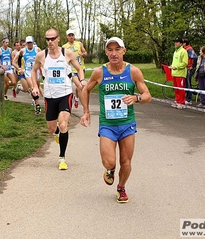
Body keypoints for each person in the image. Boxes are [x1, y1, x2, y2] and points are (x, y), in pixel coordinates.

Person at [80, 37, 151, 203]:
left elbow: (148, 95)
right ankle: (110, 170)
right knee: (109, 161)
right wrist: (85, 111)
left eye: (117, 49)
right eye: (110, 50)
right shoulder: (100, 72)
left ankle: (121, 187)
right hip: (108, 125)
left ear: (124, 51)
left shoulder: (133, 71)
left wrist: (136, 98)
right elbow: (85, 90)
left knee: (126, 162)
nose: (114, 53)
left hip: (127, 124)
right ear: (106, 52)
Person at [31, 28, 85, 170]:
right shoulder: (41, 55)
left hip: (65, 94)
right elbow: (33, 70)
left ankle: (62, 158)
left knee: (63, 124)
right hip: (49, 96)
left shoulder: (67, 53)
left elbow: (78, 69)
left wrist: (82, 80)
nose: (50, 42)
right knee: (51, 128)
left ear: (58, 39)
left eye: (52, 38)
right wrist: (34, 87)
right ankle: (56, 134)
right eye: (47, 39)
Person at [12, 36, 42, 114]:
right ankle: (37, 105)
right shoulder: (22, 51)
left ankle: (36, 101)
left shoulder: (37, 49)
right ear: (26, 43)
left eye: (30, 42)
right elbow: (14, 62)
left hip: (36, 71)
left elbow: (44, 58)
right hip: (28, 71)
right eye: (28, 43)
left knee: (38, 87)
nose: (29, 44)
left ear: (33, 42)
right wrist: (19, 69)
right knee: (33, 87)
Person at [62, 29, 88, 108]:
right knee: (80, 86)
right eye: (69, 35)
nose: (71, 37)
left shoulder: (79, 44)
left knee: (80, 87)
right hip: (72, 69)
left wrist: (82, 54)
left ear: (74, 36)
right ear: (67, 37)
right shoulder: (64, 47)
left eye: (72, 35)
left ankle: (76, 97)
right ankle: (84, 107)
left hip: (80, 68)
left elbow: (86, 53)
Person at [169, 38, 188, 109]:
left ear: (181, 43)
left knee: (180, 89)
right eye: (175, 42)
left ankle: (182, 102)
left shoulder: (183, 51)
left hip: (180, 74)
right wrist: (172, 67)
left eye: (177, 42)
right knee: (176, 89)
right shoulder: (175, 52)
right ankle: (177, 101)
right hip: (175, 73)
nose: (175, 43)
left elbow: (185, 63)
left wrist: (176, 67)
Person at [182, 39, 197, 105]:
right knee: (186, 84)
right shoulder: (185, 49)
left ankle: (189, 99)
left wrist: (192, 66)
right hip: (185, 69)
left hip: (189, 69)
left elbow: (195, 57)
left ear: (185, 43)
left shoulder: (189, 49)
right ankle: (186, 98)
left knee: (188, 84)